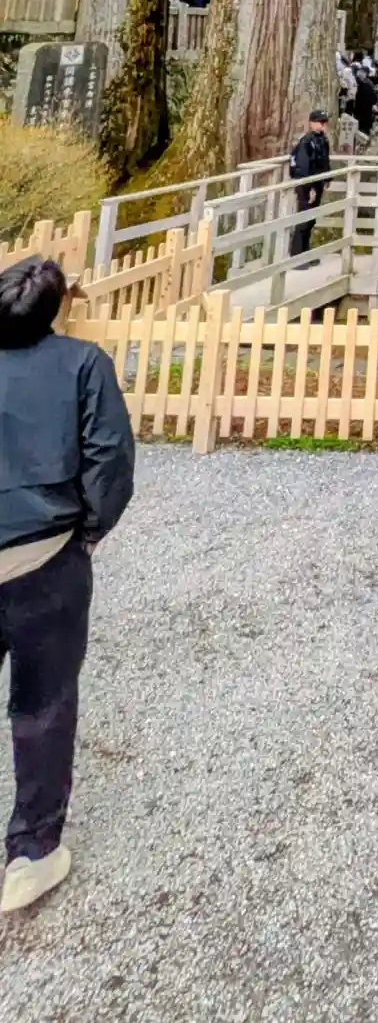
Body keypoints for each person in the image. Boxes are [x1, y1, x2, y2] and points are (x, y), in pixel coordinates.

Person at [0, 255, 134, 913]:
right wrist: (90, 529)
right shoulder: (83, 364)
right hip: (45, 555)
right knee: (43, 704)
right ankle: (32, 850)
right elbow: (109, 456)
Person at [288, 108, 331, 259]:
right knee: (304, 219)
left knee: (311, 219)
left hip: (317, 182)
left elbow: (324, 161)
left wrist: (327, 179)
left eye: (324, 122)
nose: (323, 125)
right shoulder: (307, 142)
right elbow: (304, 167)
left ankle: (305, 253)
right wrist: (310, 186)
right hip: (307, 184)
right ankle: (297, 255)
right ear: (312, 123)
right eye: (320, 122)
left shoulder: (323, 140)